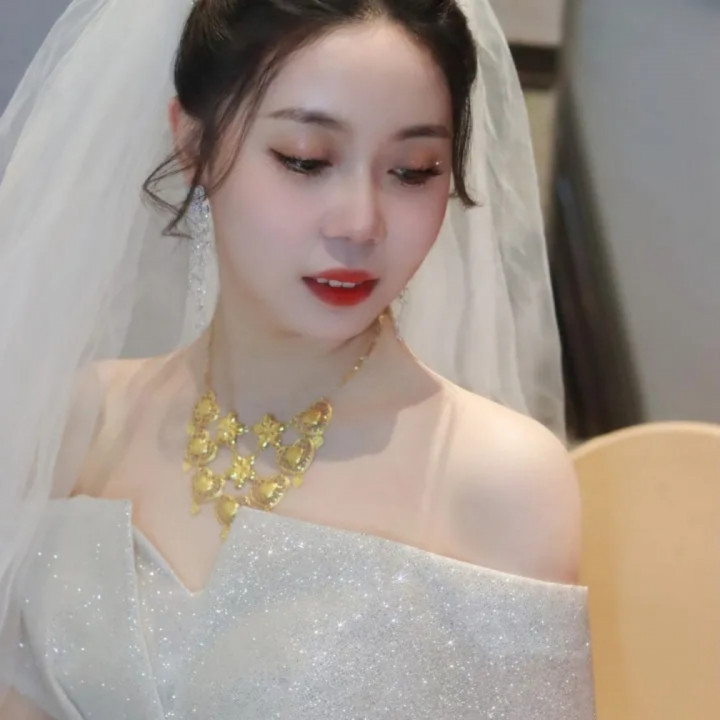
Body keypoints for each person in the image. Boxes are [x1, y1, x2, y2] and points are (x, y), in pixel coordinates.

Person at [0, 0, 595, 718]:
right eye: (305, 160)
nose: (360, 224)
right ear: (193, 145)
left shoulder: (501, 479)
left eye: (412, 171)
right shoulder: (85, 421)